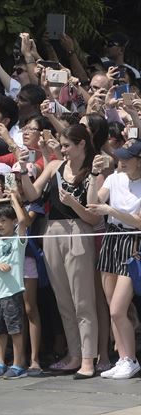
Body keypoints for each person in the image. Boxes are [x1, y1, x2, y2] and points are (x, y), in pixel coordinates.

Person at [19, 124, 101, 379]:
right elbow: (32, 193)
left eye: (67, 145)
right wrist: (22, 171)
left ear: (81, 145)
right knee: (63, 299)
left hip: (78, 231)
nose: (62, 150)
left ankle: (89, 358)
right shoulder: (54, 167)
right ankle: (74, 354)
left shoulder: (92, 173)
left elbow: (93, 217)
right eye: (61, 145)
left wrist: (72, 203)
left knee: (83, 299)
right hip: (51, 231)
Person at [88, 139, 141, 379]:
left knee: (119, 308)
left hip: (134, 244)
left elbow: (139, 222)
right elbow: (93, 204)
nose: (121, 161)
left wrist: (111, 211)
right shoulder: (113, 179)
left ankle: (130, 359)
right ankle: (122, 359)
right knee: (113, 309)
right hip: (112, 240)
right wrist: (93, 174)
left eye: (127, 158)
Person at [0, 194, 28, 379]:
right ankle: (1, 362)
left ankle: (18, 364)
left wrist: (13, 200)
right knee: (0, 331)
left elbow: (24, 221)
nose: (0, 225)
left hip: (13, 292)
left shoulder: (18, 241)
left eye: (4, 220)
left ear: (12, 222)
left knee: (15, 329)